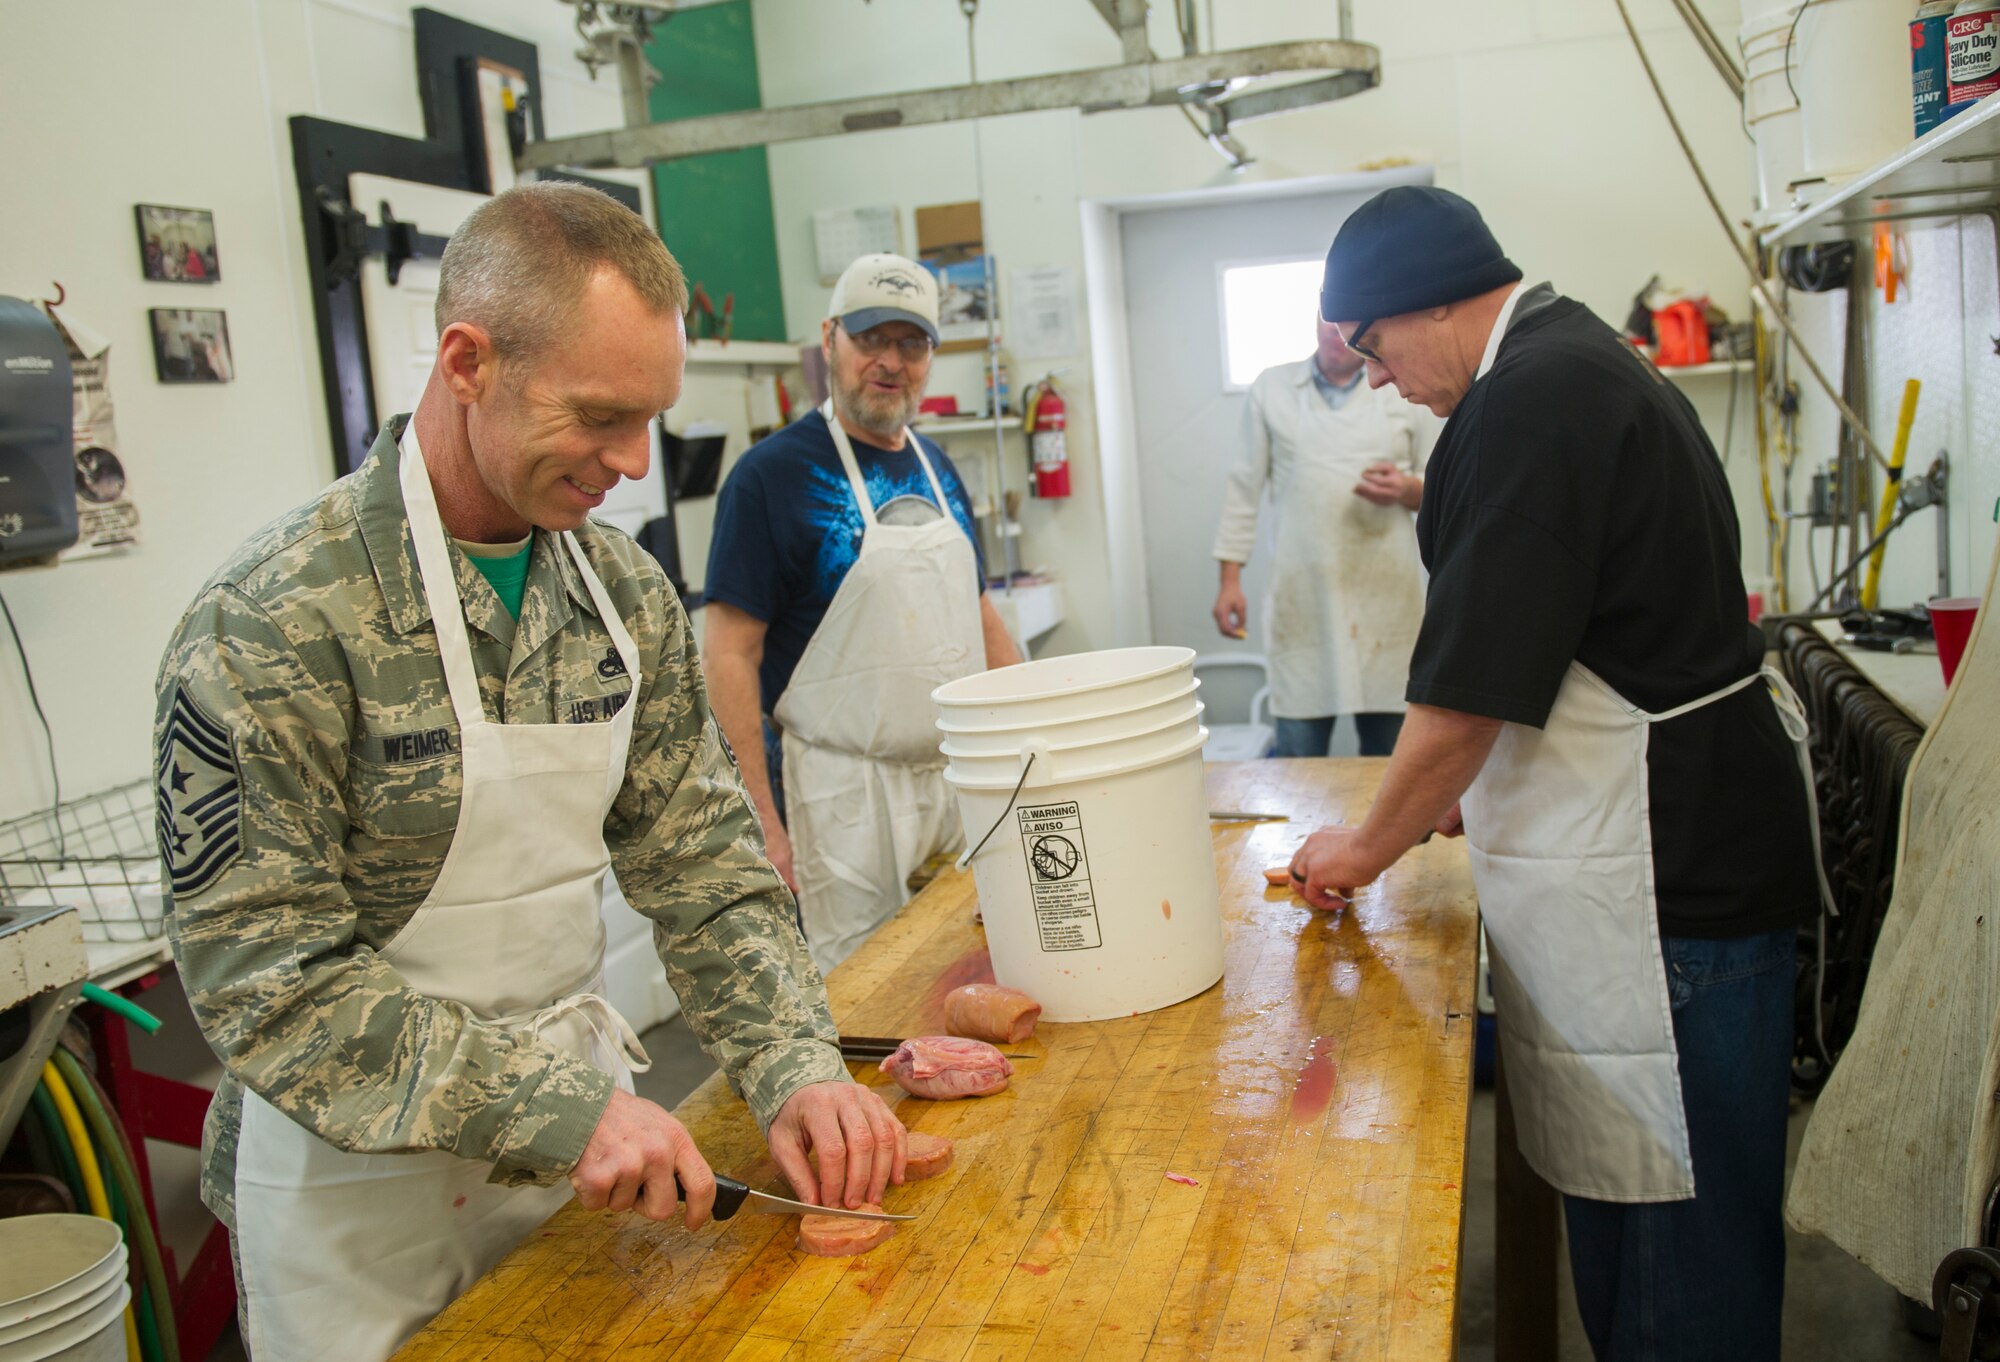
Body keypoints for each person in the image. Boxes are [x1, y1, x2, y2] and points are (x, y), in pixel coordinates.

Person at [155, 182, 903, 1362]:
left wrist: (792, 1066)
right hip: (356, 1203)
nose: (628, 460)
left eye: (648, 418)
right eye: (600, 416)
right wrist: (556, 1110)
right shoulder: (279, 623)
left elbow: (704, 866)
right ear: (466, 361)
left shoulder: (618, 593)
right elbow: (268, 976)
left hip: (580, 1164)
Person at [1291, 186, 1827, 1361]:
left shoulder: (1531, 398)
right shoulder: (1563, 359)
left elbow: (1467, 692)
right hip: (1658, 862)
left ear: (1429, 298)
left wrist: (1361, 844)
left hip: (1663, 890)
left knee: (1677, 1277)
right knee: (1650, 1252)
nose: (1374, 378)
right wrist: (1448, 803)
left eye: (1372, 346)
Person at [702, 253, 1021, 973]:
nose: (890, 362)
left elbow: (978, 616)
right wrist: (760, 823)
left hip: (953, 784)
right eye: (871, 339)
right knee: (860, 993)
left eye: (911, 344)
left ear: (931, 357)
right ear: (830, 341)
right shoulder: (769, 478)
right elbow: (728, 655)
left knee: (971, 970)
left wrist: (1037, 744)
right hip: (842, 799)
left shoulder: (940, 469)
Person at [1210, 318, 1434, 757]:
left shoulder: (1402, 385)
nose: (1334, 335)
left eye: (1345, 327)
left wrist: (1408, 489)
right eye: (1325, 324)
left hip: (1387, 598)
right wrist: (1229, 581)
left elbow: (1445, 484)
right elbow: (1242, 490)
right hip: (1304, 596)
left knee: (1391, 762)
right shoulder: (1272, 389)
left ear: (1367, 331)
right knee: (1298, 761)